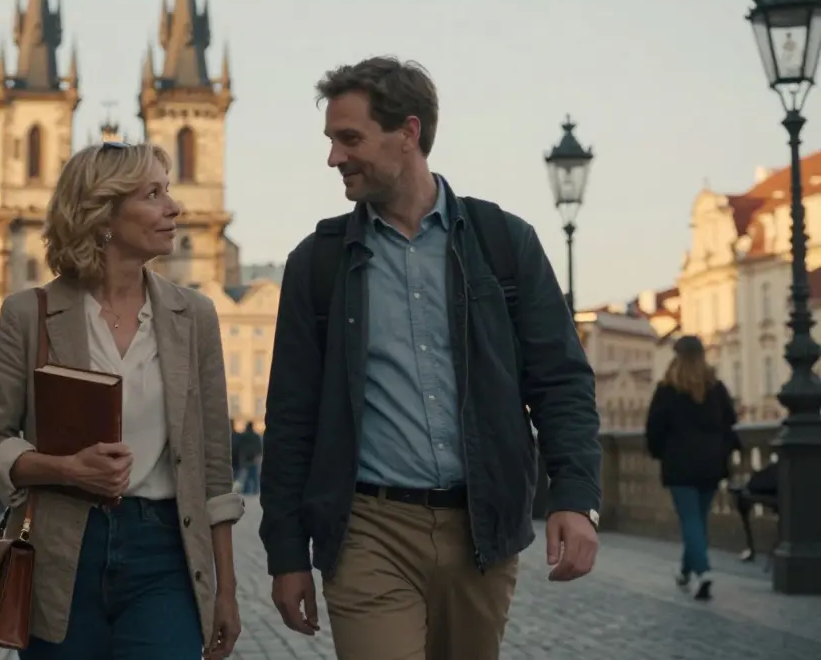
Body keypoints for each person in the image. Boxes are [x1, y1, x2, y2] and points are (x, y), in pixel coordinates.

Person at [259, 56, 603, 660]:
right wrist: (287, 554)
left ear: (409, 133)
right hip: (368, 528)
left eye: (350, 139)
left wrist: (574, 496)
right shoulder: (318, 263)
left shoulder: (504, 243)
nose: (334, 158)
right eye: (332, 141)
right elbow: (292, 417)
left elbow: (560, 382)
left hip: (483, 528)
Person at [0, 141, 244, 659]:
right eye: (153, 194)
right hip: (62, 552)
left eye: (169, 191)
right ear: (104, 213)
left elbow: (214, 467)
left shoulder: (194, 316)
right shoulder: (28, 314)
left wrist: (225, 590)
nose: (173, 207)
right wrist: (64, 469)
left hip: (165, 550)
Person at [645, 335, 740, 600]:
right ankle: (687, 571)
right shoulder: (715, 387)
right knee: (698, 519)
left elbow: (654, 429)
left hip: (679, 464)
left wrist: (659, 452)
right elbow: (730, 421)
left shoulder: (667, 389)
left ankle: (703, 571)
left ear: (676, 356)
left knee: (690, 520)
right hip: (711, 463)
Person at [235, 423, 262, 495]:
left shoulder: (244, 436)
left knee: (246, 476)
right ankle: (255, 491)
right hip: (253, 459)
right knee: (253, 476)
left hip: (245, 459)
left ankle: (246, 491)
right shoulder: (255, 436)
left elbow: (239, 447)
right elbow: (259, 448)